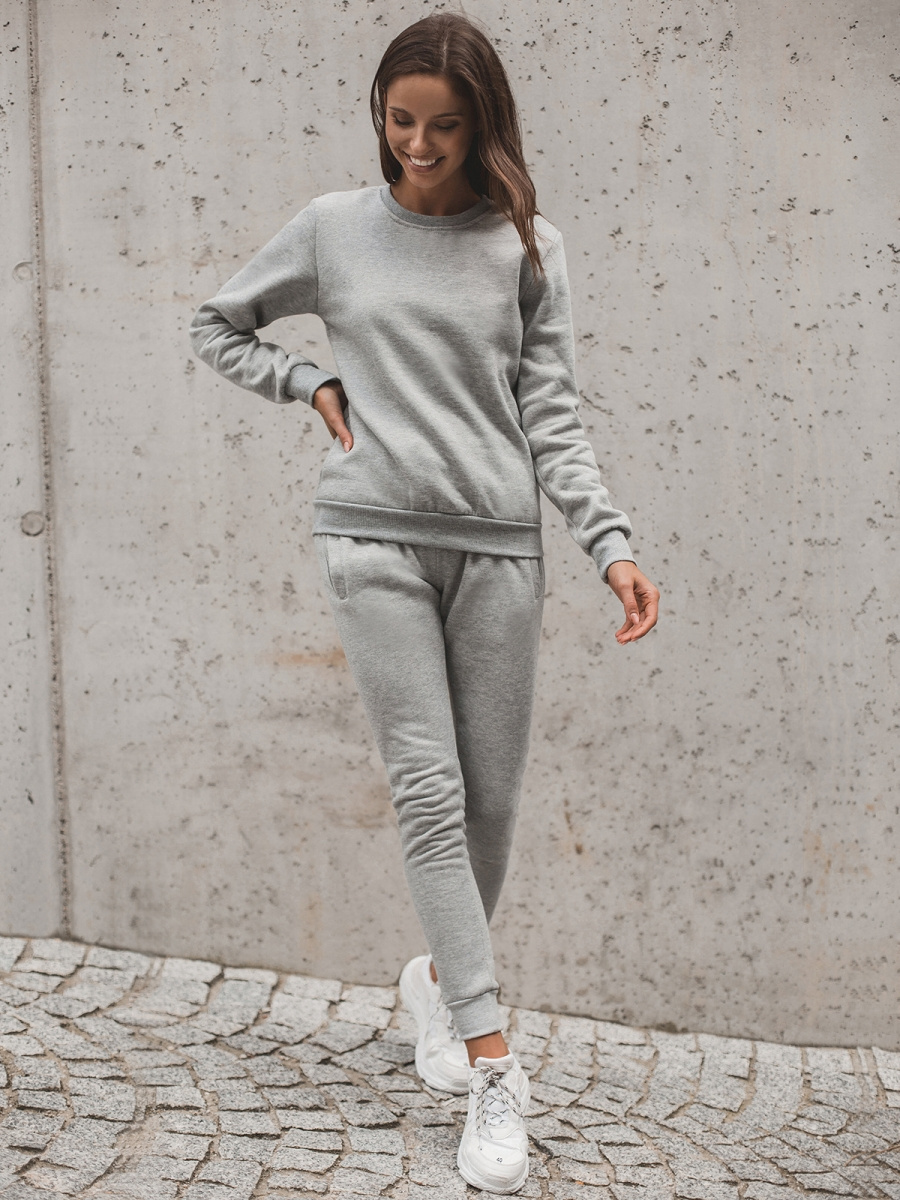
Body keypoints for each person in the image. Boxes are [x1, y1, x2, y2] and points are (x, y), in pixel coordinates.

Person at [190, 11, 659, 1193]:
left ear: (481, 123)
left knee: (491, 802)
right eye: (401, 120)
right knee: (430, 791)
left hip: (499, 546)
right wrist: (308, 380)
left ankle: (440, 986)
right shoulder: (334, 228)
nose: (417, 144)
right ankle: (493, 1063)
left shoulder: (527, 245)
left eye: (443, 126)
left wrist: (608, 544)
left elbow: (553, 414)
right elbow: (218, 324)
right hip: (372, 538)